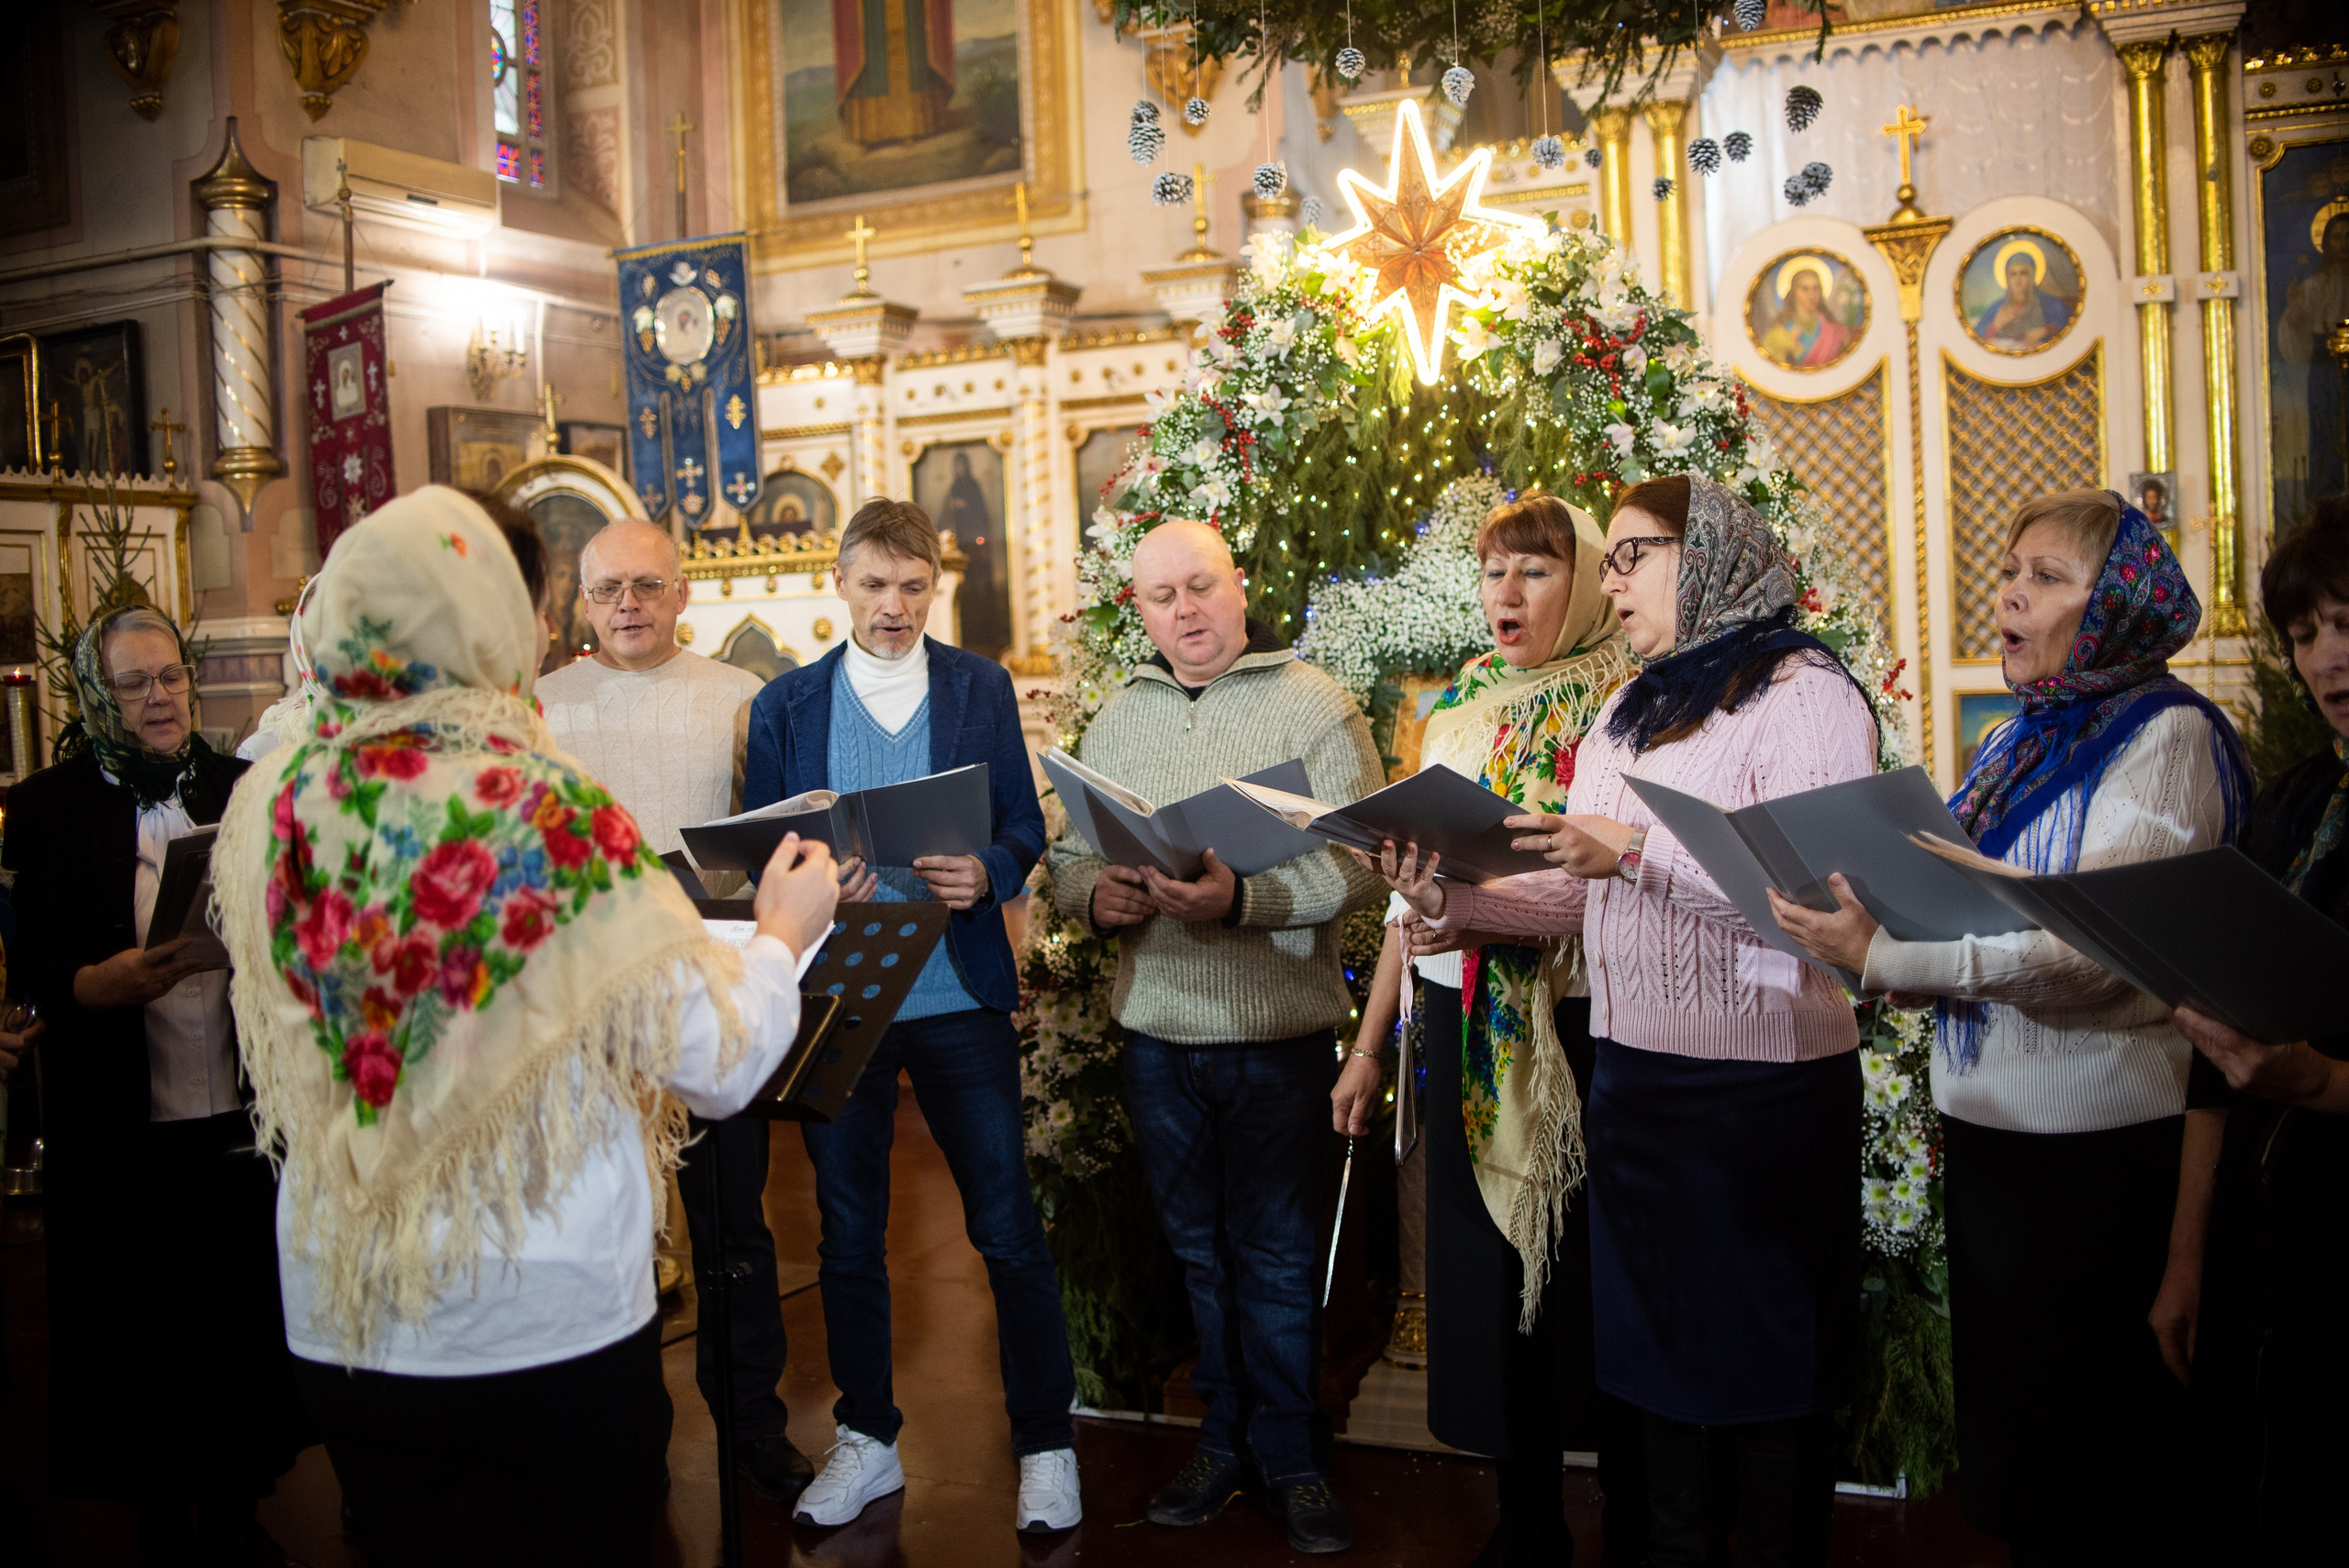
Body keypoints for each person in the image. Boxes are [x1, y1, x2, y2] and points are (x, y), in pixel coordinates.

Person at [208, 486, 841, 1567]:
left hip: (347, 1304)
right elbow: (713, 1056)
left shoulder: (275, 799)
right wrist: (784, 930)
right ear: (496, 625)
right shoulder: (539, 807)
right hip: (533, 1309)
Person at [1393, 474, 1877, 1566]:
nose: (1610, 581)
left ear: (1704, 557)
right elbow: (1583, 890)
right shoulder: (1632, 708)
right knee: (1654, 1373)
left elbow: (1820, 903)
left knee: (1766, 1378)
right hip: (1637, 1079)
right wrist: (1453, 905)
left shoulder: (1800, 690)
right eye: (1606, 559)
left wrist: (1638, 851)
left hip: (1762, 1092)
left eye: (1631, 555)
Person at [1771, 489, 2247, 1566]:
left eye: (2046, 576)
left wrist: (1891, 958)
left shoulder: (2166, 734)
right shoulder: (2015, 742)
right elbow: (1961, 916)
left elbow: (2098, 956)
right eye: (2008, 571)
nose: (2011, 595)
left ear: (2115, 602)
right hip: (1993, 1147)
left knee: (2100, 1485)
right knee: (2024, 1482)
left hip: (2099, 1160)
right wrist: (1860, 921)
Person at [741, 497, 1082, 1534]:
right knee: (847, 1234)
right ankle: (868, 1437)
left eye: (913, 587)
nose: (894, 606)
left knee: (1005, 1226)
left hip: (957, 993)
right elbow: (765, 849)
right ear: (840, 585)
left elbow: (1021, 824)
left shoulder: (978, 684)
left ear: (936, 586)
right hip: (840, 993)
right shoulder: (787, 705)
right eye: (875, 585)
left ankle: (1045, 1442)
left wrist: (988, 872)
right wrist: (810, 880)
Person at [1046, 518, 1386, 1555]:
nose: (1185, 610)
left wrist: (1242, 898)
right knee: (1198, 1256)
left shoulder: (1314, 702)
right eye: (1162, 596)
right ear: (1141, 611)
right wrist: (1095, 894)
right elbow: (1068, 857)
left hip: (1277, 1033)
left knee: (1277, 1256)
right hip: (1158, 1033)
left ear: (1238, 585)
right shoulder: (1119, 716)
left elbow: (1364, 862)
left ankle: (1291, 1454)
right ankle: (1222, 1441)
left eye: (1200, 585)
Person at [1331, 493, 1646, 1568]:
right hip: (1458, 1014)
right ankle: (1527, 1518)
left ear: (1587, 582)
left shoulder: (1621, 702)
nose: (1505, 593)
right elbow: (1407, 906)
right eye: (1492, 571)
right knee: (1495, 1283)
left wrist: (1473, 903)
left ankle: (1632, 1516)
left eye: (1535, 570)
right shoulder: (1460, 705)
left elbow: (1613, 878)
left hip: (1574, 1022)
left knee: (1580, 1284)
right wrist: (1369, 1045)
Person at [537, 514, 860, 1509]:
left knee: (733, 1229)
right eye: (606, 589)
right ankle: (618, 1432)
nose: (627, 604)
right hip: (585, 1013)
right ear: (580, 603)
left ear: (683, 594)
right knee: (602, 1229)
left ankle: (751, 1421)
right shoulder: (539, 707)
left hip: (712, 994)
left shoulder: (736, 699)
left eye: (646, 585)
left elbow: (771, 838)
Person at [3, 603, 311, 1564]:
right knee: (138, 1321)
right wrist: (94, 984)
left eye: (171, 676)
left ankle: (236, 1506)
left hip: (233, 1101)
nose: (159, 697)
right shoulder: (50, 807)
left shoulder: (239, 786)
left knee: (234, 1308)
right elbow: (37, 960)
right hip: (117, 1112)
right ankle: (158, 1519)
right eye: (134, 683)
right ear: (98, 696)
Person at [2171, 501, 2349, 1562]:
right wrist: (2186, 1255)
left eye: (2347, 623)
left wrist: (2317, 1079)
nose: (2327, 656)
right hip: (2263, 1225)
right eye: (2304, 632)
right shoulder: (2292, 798)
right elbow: (2218, 1032)